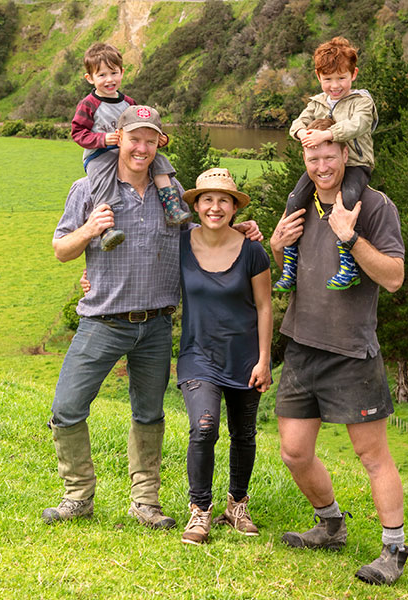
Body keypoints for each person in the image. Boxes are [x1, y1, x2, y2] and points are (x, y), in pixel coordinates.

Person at [44, 104, 261, 528]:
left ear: (159, 143)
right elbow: (60, 250)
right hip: (101, 321)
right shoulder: (87, 188)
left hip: (158, 325)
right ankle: (77, 497)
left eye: (150, 139)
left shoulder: (172, 195)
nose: (141, 147)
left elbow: (204, 235)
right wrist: (89, 230)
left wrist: (242, 231)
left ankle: (145, 502)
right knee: (67, 408)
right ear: (119, 139)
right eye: (134, 138)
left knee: (149, 414)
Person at [270, 119, 408, 586]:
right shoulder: (301, 204)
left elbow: (393, 277)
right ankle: (331, 525)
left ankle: (394, 549)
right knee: (293, 452)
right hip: (302, 344)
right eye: (313, 158)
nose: (322, 166)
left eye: (330, 156)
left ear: (346, 156)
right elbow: (292, 266)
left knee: (372, 455)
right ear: (305, 161)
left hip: (351, 350)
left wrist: (350, 236)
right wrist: (275, 246)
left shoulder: (374, 206)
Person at [177, 169, 273, 545]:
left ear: (234, 208)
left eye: (223, 200)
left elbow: (265, 306)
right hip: (198, 354)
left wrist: (264, 359)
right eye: (207, 199)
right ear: (196, 205)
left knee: (244, 434)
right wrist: (92, 279)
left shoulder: (252, 251)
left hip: (245, 356)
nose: (215, 207)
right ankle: (200, 510)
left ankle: (237, 505)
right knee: (204, 428)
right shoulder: (180, 244)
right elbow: (141, 264)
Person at [274, 36, 378, 292]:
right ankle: (290, 267)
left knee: (349, 200)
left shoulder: (362, 102)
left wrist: (326, 135)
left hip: (355, 164)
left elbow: (359, 125)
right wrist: (302, 135)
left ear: (353, 74)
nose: (335, 86)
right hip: (322, 166)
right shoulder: (317, 102)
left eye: (341, 78)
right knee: (294, 200)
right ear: (319, 77)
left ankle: (348, 267)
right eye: (328, 79)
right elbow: (296, 124)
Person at [71, 42, 190, 252]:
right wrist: (102, 139)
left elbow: (144, 129)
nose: (109, 80)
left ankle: (171, 207)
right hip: (99, 154)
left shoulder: (128, 103)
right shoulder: (88, 104)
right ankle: (106, 230)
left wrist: (160, 138)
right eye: (102, 75)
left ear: (122, 72)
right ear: (90, 78)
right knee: (102, 181)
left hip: (126, 152)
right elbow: (78, 133)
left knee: (160, 161)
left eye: (114, 73)